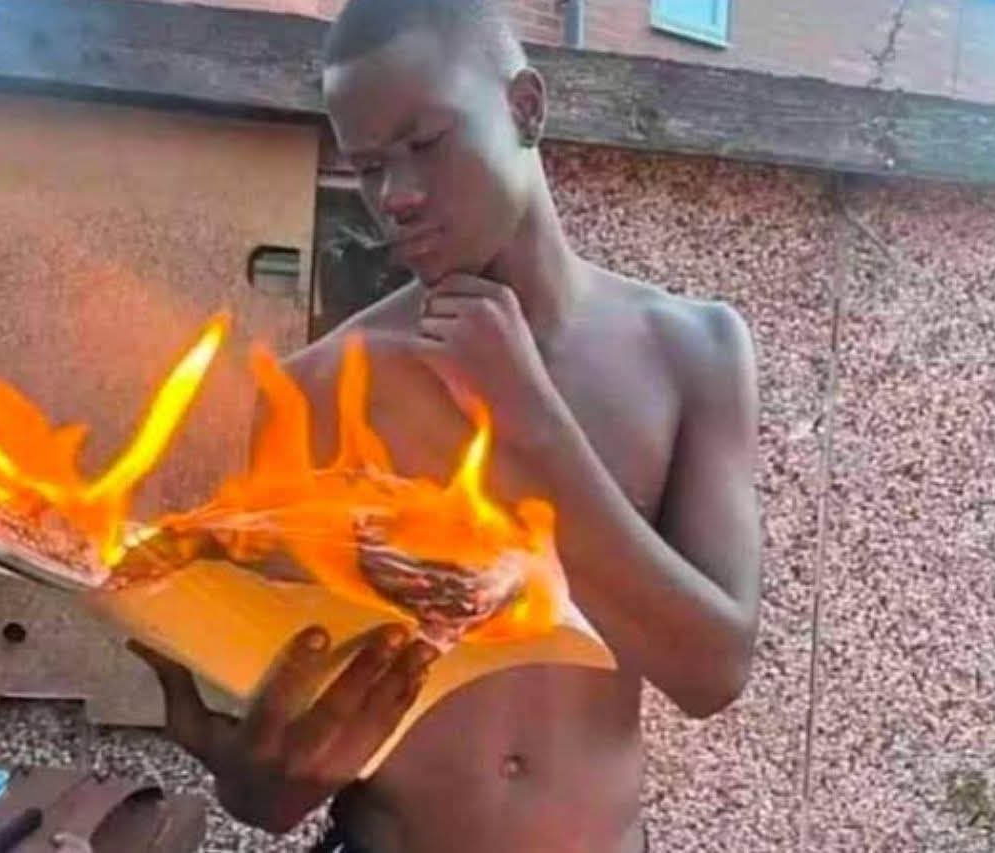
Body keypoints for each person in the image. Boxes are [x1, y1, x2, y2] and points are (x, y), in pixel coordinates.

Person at [130, 1, 762, 850]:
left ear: (524, 108)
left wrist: (528, 420)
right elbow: (282, 764)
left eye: (425, 142)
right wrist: (260, 779)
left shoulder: (693, 349)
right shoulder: (321, 387)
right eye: (367, 167)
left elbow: (712, 670)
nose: (397, 196)